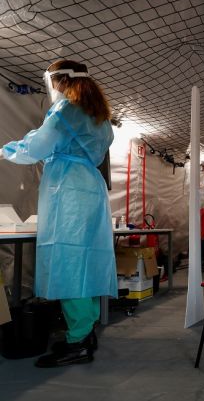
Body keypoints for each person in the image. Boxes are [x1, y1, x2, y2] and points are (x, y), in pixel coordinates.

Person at [0, 59, 117, 367]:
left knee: (69, 265)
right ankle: (85, 332)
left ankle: (77, 342)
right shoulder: (99, 115)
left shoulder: (66, 109)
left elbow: (37, 146)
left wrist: (4, 150)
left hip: (69, 192)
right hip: (90, 188)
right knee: (85, 263)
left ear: (61, 81)